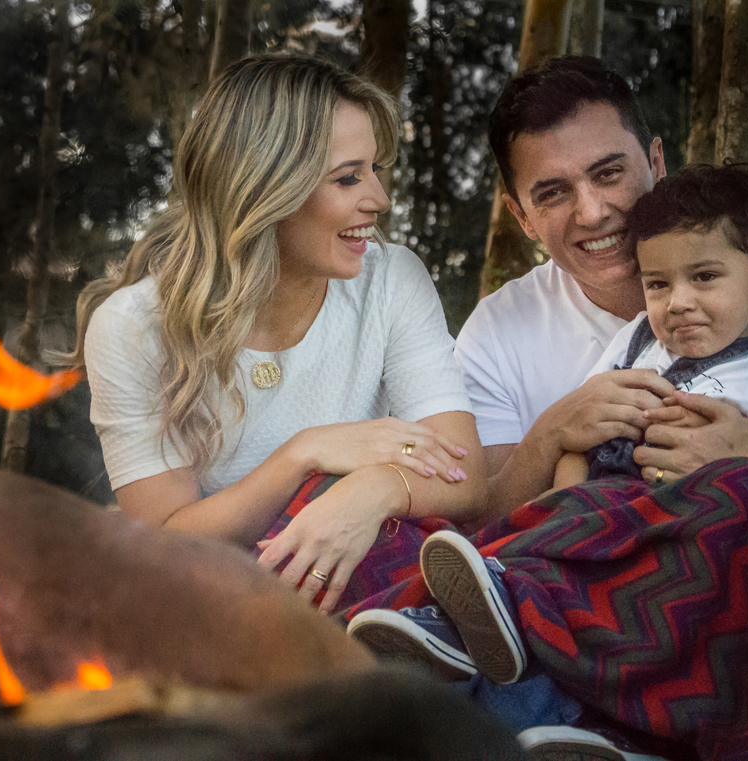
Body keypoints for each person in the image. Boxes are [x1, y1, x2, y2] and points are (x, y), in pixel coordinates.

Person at [346, 56, 748, 760]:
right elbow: (482, 519)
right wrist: (551, 433)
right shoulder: (498, 329)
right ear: (519, 213)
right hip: (578, 634)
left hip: (746, 617)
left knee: (739, 497)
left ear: (655, 159)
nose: (594, 211)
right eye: (553, 191)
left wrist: (745, 456)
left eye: (608, 173)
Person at [70, 54, 489, 617]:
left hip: (371, 573)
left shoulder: (391, 279)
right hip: (211, 599)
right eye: (348, 177)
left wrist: (372, 491)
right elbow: (162, 543)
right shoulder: (132, 327)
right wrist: (305, 453)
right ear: (264, 187)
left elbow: (465, 478)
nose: (380, 200)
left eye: (375, 170)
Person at [552, 162, 748, 491]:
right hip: (604, 506)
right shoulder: (637, 340)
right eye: (658, 284)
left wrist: (745, 434)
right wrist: (564, 503)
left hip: (700, 521)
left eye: (704, 276)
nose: (678, 302)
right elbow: (581, 430)